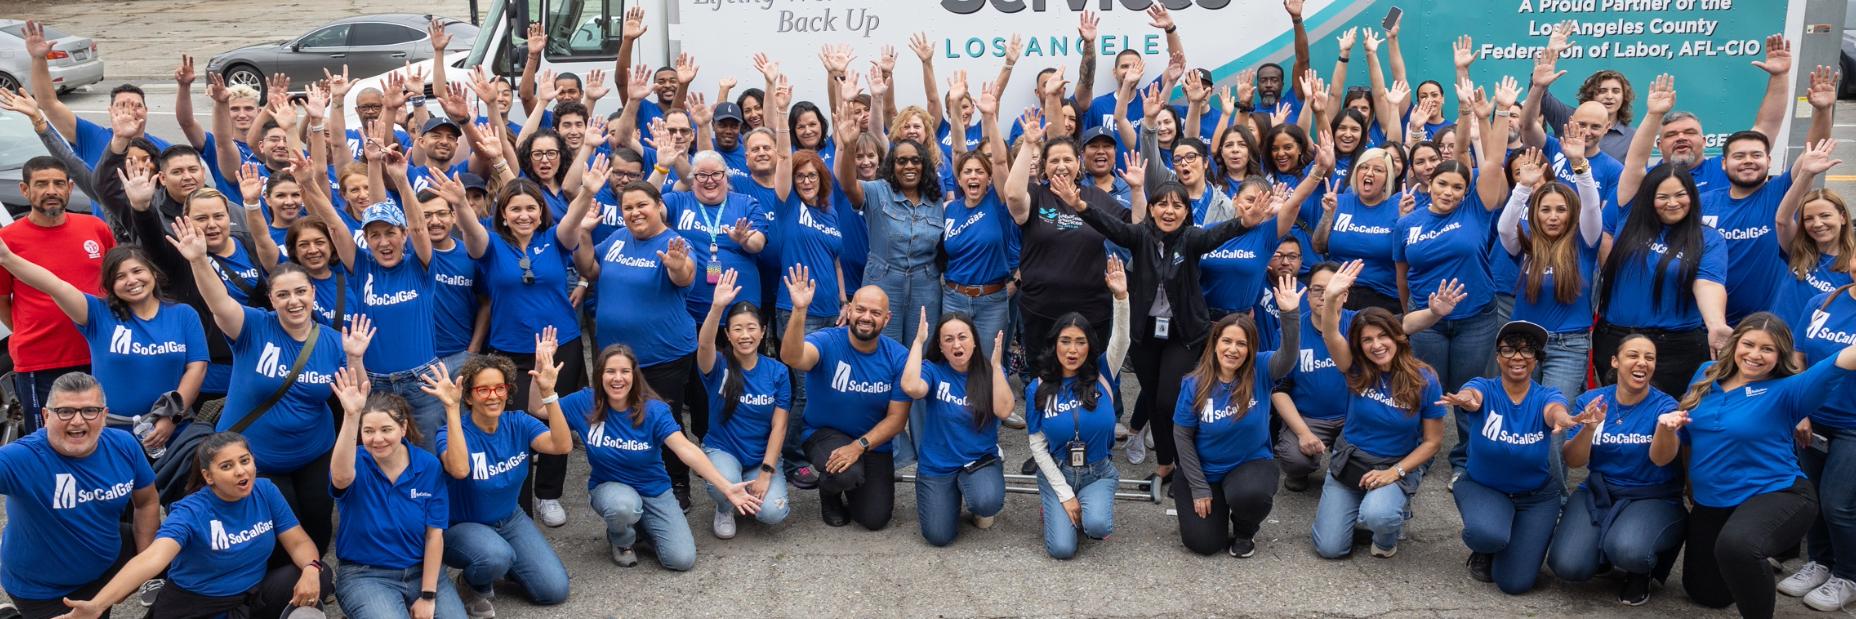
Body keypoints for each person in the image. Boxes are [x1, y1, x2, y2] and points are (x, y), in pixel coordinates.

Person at [172, 220, 358, 561]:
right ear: (271, 299)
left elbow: (356, 395)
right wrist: (198, 260)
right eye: (283, 294)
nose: (294, 301)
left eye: (301, 292)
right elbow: (219, 303)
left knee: (318, 525)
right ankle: (283, 586)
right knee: (279, 529)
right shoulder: (254, 326)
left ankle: (313, 578)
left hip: (314, 453)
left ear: (313, 293)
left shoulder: (334, 342)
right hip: (257, 458)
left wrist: (356, 357)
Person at [1650, 313, 1856, 617]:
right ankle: (1756, 555)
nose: (1755, 355)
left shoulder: (1789, 390)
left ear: (1780, 355)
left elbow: (1844, 358)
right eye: (1748, 344)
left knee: (1739, 546)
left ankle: (1756, 552)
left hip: (1777, 493)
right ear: (1735, 344)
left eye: (1767, 349)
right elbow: (1665, 455)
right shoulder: (1706, 373)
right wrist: (1665, 431)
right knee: (1706, 593)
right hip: (1713, 502)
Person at [1067, 166, 1264, 483]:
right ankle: (1165, 464)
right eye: (1162, 204)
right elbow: (1110, 225)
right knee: (1155, 398)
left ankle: (1188, 461)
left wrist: (1243, 222)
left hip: (1183, 334)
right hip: (1146, 334)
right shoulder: (1139, 236)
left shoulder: (1191, 239)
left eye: (1177, 205)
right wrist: (1079, 205)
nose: (1169, 211)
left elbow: (1218, 233)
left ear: (1186, 211)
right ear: (1151, 208)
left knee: (1168, 399)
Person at [459, 149, 598, 527]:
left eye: (530, 208)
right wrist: (460, 205)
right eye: (515, 209)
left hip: (560, 346)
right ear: (502, 213)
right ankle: (517, 499)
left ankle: (548, 494)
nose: (524, 215)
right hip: (509, 352)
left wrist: (586, 191)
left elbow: (573, 222)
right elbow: (470, 232)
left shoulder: (556, 238)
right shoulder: (489, 244)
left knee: (556, 418)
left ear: (541, 212)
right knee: (515, 424)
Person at [56, 433, 333, 619]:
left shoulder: (265, 491)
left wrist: (311, 568)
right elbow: (151, 559)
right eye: (227, 466)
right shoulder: (191, 511)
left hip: (252, 595)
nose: (241, 471)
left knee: (319, 573)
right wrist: (98, 605)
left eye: (245, 461)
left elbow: (298, 542)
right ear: (208, 476)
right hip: (196, 604)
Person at [563, 343, 762, 570]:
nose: (617, 378)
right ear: (600, 375)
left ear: (634, 375)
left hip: (654, 490)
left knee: (681, 559)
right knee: (623, 506)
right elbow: (538, 409)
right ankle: (621, 540)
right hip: (610, 489)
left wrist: (726, 487)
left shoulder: (655, 410)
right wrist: (545, 384)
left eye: (624, 371)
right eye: (610, 371)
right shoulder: (584, 401)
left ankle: (640, 526)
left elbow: (685, 449)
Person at [1271, 262, 1463, 492]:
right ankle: (1303, 471)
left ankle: (1390, 477)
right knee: (1295, 458)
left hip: (1356, 417)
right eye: (1318, 290)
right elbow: (1278, 389)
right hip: (1312, 418)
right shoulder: (1291, 332)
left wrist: (1433, 313)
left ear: (1345, 294)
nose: (1324, 296)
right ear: (1308, 293)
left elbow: (1403, 323)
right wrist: (1303, 433)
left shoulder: (1360, 324)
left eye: (1332, 290)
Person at [0, 240, 205, 447]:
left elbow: (197, 368)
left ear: (153, 272)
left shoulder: (183, 314)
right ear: (110, 286)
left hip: (174, 430)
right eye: (120, 277)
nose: (132, 280)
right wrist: (6, 257)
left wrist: (171, 418)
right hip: (113, 435)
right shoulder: (97, 314)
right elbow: (54, 285)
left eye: (137, 271)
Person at [1310, 261, 1447, 560]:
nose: (1376, 345)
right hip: (1352, 462)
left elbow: (1433, 442)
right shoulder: (1355, 369)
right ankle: (1367, 505)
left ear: (1397, 337)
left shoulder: (1425, 379)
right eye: (1367, 340)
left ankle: (1388, 531)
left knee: (1379, 516)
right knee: (1330, 549)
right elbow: (1331, 334)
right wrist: (1332, 296)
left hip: (1395, 465)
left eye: (1382, 336)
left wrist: (1393, 473)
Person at [585, 179, 703, 510]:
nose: (635, 212)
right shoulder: (618, 239)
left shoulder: (675, 242)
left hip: (662, 355)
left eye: (642, 205)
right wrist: (583, 235)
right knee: (622, 420)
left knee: (664, 421)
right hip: (616, 357)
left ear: (658, 207)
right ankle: (628, 482)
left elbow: (686, 275)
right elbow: (590, 268)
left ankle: (678, 482)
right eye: (628, 207)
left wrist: (678, 267)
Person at [0, 373, 159, 619]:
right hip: (45, 590)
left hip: (107, 564)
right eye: (65, 411)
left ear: (104, 415)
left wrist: (143, 564)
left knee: (185, 546)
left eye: (89, 411)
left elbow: (147, 502)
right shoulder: (20, 458)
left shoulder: (124, 445)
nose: (77, 421)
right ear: (46, 416)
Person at [1442, 321, 1582, 594]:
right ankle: (1487, 546)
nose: (1517, 357)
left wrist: (1564, 419)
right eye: (1509, 350)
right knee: (1488, 535)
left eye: (1527, 350)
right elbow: (1472, 396)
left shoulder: (1546, 395)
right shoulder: (1484, 386)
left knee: (1514, 584)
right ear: (1498, 356)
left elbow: (1555, 409)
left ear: (1536, 359)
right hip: (1485, 487)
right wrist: (1466, 400)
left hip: (1537, 497)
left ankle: (1523, 539)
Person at [431, 351, 574, 615]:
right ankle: (473, 584)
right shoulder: (450, 432)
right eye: (483, 390)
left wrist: (549, 394)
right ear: (470, 395)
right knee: (496, 555)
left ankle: (506, 565)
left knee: (553, 590)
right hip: (461, 526)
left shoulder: (518, 422)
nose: (493, 395)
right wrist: (451, 408)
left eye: (499, 388)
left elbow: (562, 445)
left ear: (508, 391)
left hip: (510, 519)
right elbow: (460, 470)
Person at [1548, 335, 1685, 606]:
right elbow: (1573, 461)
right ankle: (1601, 550)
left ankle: (1640, 568)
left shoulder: (1665, 406)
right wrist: (1588, 428)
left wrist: (1664, 429)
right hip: (1601, 491)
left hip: (1651, 495)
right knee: (1568, 567)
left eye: (1649, 357)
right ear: (1615, 361)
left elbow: (1661, 459)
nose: (1642, 363)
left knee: (1628, 550)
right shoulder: (1591, 400)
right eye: (1633, 355)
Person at [1172, 274, 1300, 557]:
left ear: (1250, 348)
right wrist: (1199, 487)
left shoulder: (1262, 369)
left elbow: (1289, 357)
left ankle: (1244, 530)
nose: (1233, 349)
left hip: (1249, 465)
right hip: (1205, 471)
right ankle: (1217, 506)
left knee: (1249, 496)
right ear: (1215, 344)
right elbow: (1182, 437)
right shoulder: (1194, 383)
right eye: (1227, 341)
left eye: (1241, 344)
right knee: (1204, 544)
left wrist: (1290, 315)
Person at [328, 367, 467, 619]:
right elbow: (340, 478)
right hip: (366, 574)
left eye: (386, 429)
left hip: (419, 569)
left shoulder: (427, 465)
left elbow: (434, 535)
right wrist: (351, 415)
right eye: (368, 431)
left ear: (403, 428)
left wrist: (427, 596)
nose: (377, 439)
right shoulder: (353, 461)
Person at [780, 269, 911, 529]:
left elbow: (897, 420)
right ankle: (829, 493)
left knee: (875, 519)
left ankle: (853, 479)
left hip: (871, 442)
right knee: (847, 473)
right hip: (823, 433)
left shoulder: (898, 356)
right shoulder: (827, 340)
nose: (866, 317)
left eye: (876, 313)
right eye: (861, 309)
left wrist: (858, 446)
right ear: (849, 310)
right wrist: (799, 311)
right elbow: (792, 357)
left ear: (887, 319)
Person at [1024, 256, 1131, 560]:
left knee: (1097, 527)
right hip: (1057, 471)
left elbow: (1121, 339)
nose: (1072, 350)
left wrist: (1121, 297)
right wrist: (1064, 494)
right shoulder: (1038, 387)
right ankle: (1059, 505)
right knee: (1062, 550)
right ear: (1054, 345)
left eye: (1080, 342)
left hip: (1098, 472)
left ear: (1090, 346)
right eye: (1066, 341)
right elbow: (1037, 445)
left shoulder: (1103, 373)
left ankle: (1087, 506)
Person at [0, 157, 115, 435]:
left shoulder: (95, 228)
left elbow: (114, 283)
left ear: (70, 187)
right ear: (25, 190)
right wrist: (31, 331)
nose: (51, 190)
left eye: (58, 183)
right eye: (41, 184)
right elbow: (3, 301)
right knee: (48, 440)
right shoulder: (9, 241)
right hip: (40, 361)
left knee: (100, 434)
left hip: (98, 355)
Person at [837, 70, 943, 346]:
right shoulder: (877, 191)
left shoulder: (937, 201)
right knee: (883, 349)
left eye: (915, 161)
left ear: (925, 165)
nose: (909, 166)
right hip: (883, 283)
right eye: (901, 161)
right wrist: (848, 147)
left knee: (921, 350)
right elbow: (849, 185)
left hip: (926, 287)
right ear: (891, 167)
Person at [1498, 148, 1603, 404]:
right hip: (1523, 344)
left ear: (1572, 214)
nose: (1553, 217)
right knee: (1522, 416)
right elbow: (1503, 229)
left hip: (1568, 347)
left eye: (1561, 210)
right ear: (1535, 213)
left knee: (1554, 418)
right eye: (1545, 210)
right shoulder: (1525, 244)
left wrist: (1580, 165)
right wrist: (1523, 186)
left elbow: (1590, 206)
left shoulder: (1585, 242)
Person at [901, 311, 1013, 547]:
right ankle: (951, 494)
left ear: (974, 340)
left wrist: (995, 366)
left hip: (978, 460)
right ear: (940, 346)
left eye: (963, 337)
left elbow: (1004, 411)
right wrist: (918, 341)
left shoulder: (990, 371)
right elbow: (911, 387)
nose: (957, 344)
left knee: (987, 502)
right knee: (939, 537)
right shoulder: (933, 369)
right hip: (938, 465)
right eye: (948, 339)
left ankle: (979, 493)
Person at [698, 271, 794, 538]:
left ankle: (748, 491)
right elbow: (704, 344)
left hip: (759, 457)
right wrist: (717, 306)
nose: (745, 335)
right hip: (723, 450)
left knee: (773, 513)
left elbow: (779, 426)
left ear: (763, 332)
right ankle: (725, 505)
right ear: (728, 335)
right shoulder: (717, 366)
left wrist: (766, 472)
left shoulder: (777, 372)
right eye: (737, 329)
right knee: (722, 486)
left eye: (751, 328)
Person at [1783, 283, 1856, 611]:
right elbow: (1798, 356)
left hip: (1853, 427)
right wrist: (1801, 408)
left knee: (1838, 504)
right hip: (1813, 419)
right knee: (1811, 497)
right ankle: (1820, 563)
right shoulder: (1823, 301)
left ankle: (1848, 575)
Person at [1773, 141, 1854, 320]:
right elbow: (1782, 221)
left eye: (1825, 215)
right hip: (1778, 342)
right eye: (1808, 218)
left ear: (1842, 217)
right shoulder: (1798, 251)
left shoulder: (1852, 264)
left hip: (1817, 347)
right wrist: (1805, 174)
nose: (1817, 224)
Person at [1314, 149, 1402, 313]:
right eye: (1364, 167)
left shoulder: (1397, 208)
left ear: (1387, 178)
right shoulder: (1339, 202)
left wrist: (1405, 221)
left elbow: (1406, 259)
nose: (1369, 173)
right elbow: (1319, 246)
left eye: (1378, 169)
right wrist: (1328, 215)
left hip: (1382, 298)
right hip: (1338, 293)